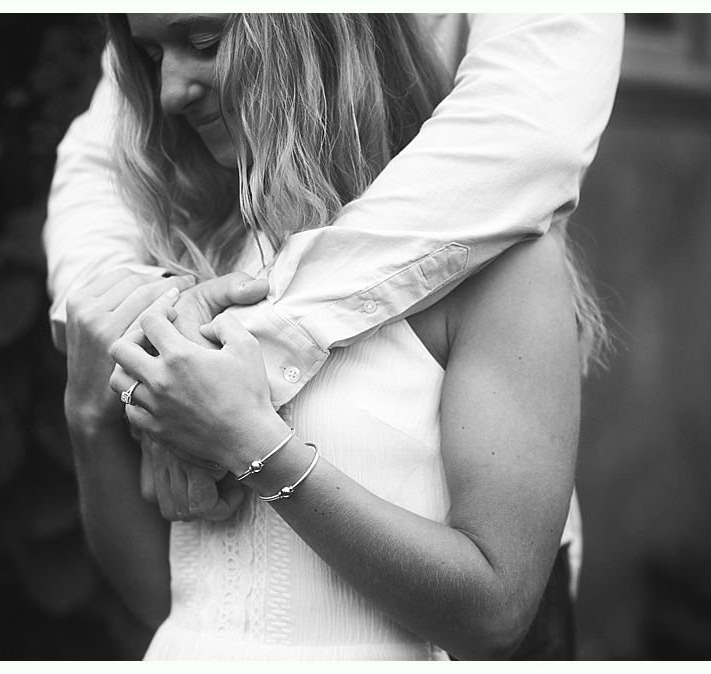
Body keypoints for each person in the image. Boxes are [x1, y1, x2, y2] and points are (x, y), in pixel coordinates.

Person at [59, 13, 615, 660]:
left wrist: (253, 445)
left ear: (318, 28)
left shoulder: (502, 267)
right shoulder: (198, 247)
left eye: (204, 44)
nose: (169, 92)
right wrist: (88, 416)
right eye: (153, 55)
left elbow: (495, 614)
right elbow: (170, 602)